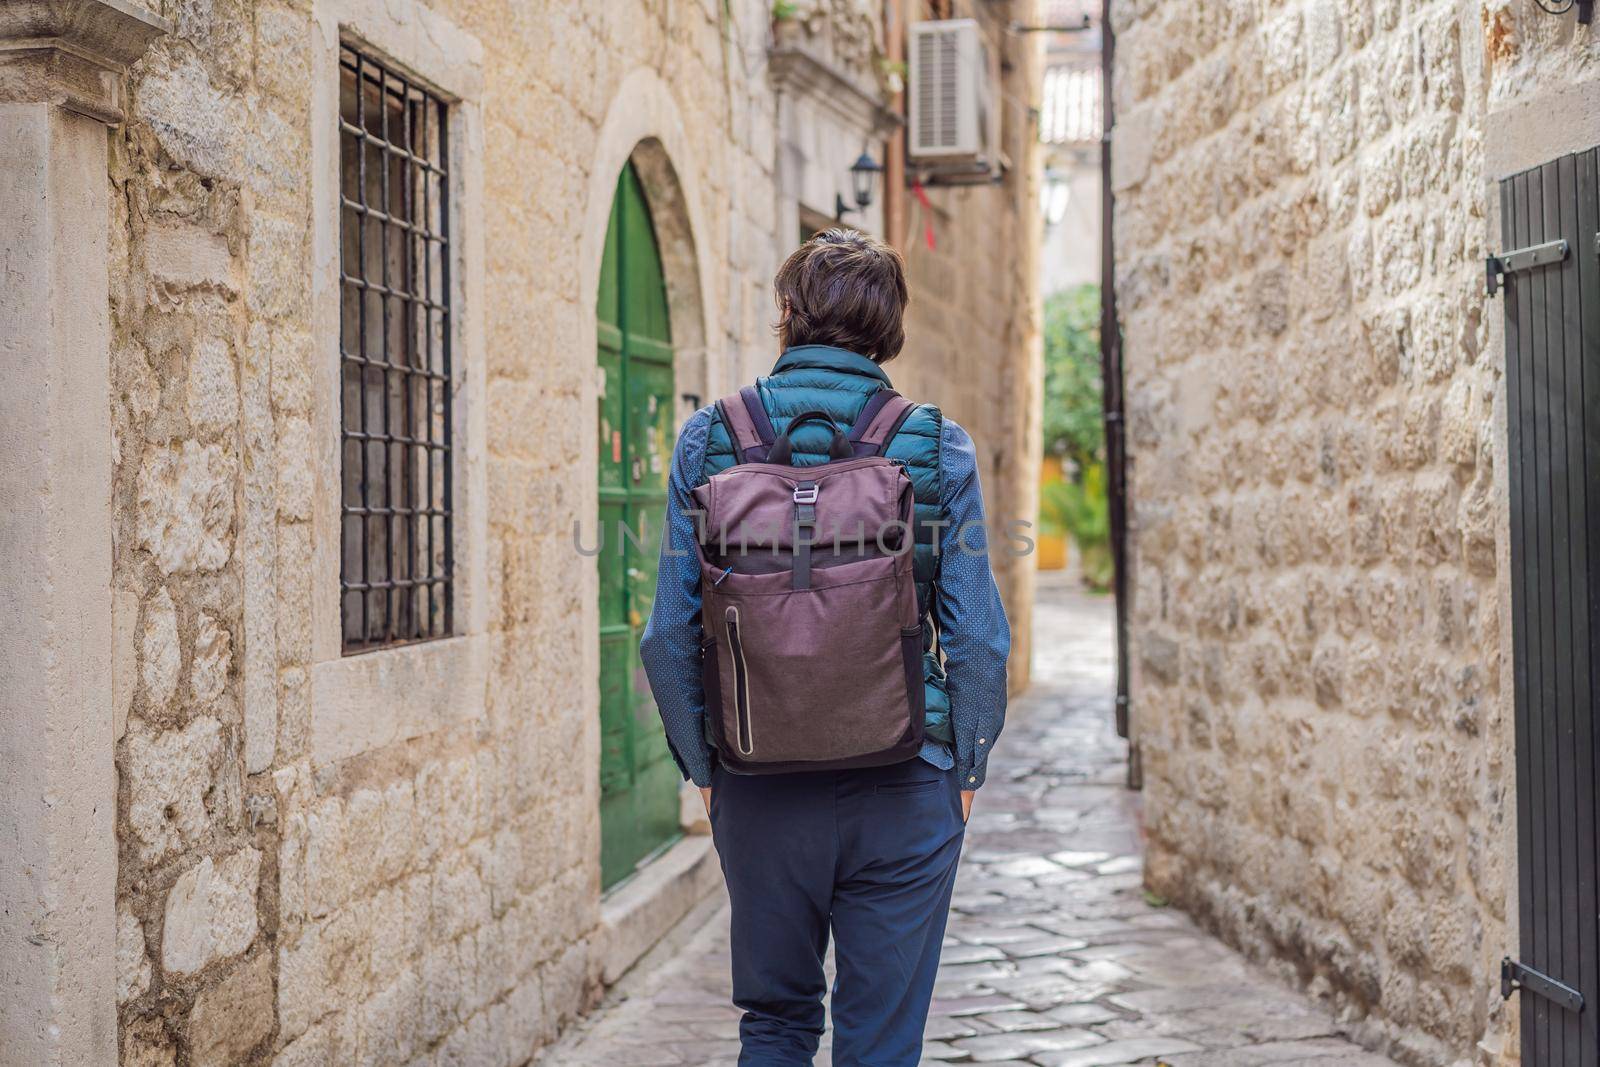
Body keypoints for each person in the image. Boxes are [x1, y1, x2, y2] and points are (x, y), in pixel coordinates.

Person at [639, 227, 1010, 1067]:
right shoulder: (935, 444)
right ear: (890, 328)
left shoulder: (711, 439)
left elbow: (667, 636)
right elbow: (979, 639)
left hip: (760, 782)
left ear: (786, 315)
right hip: (906, 778)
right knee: (881, 1040)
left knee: (773, 1021)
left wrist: (708, 769)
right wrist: (967, 767)